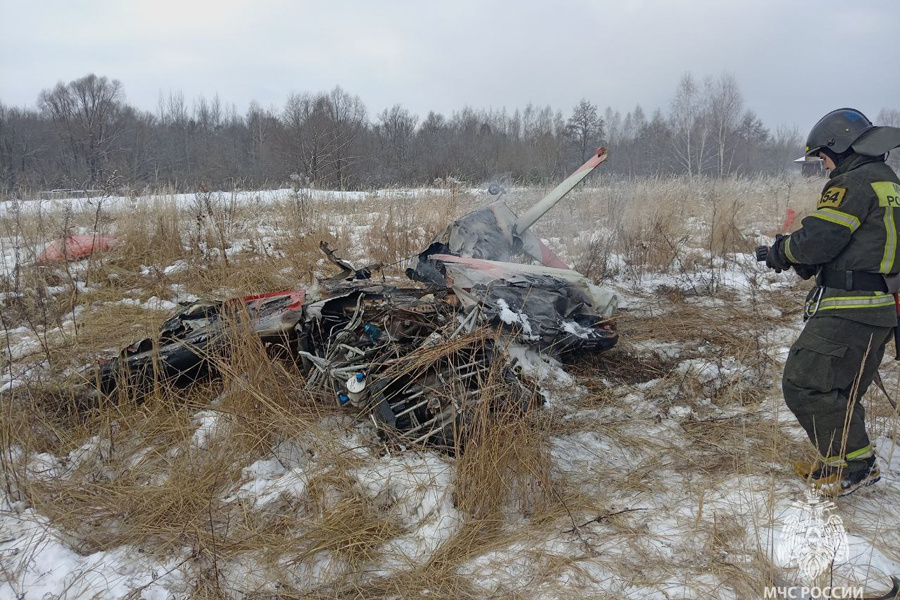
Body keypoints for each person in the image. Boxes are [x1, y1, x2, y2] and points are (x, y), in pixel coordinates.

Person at [759, 108, 900, 496]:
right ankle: (846, 464)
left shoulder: (853, 183)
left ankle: (854, 468)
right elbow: (864, 244)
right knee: (842, 388)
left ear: (840, 146)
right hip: (880, 307)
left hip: (850, 308)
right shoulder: (889, 183)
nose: (823, 166)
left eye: (822, 156)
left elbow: (820, 238)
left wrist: (784, 251)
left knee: (804, 383)